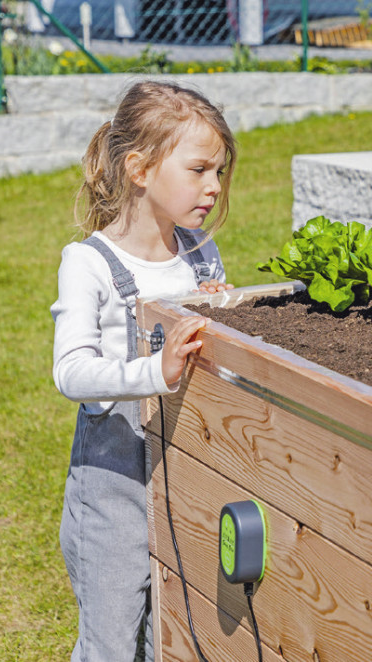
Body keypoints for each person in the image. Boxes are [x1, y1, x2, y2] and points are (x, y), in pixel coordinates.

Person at [50, 80, 236, 661]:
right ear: (139, 168)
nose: (213, 187)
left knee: (176, 631)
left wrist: (224, 312)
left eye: (220, 173)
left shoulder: (200, 255)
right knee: (109, 642)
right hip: (115, 483)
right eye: (200, 169)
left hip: (186, 468)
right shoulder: (90, 263)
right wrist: (154, 369)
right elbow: (72, 372)